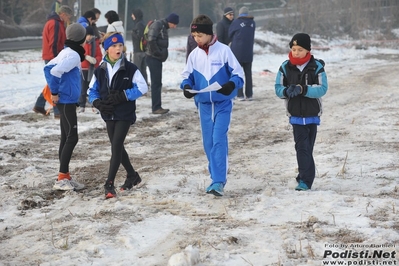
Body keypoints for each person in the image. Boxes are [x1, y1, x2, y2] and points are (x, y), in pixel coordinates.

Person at [181, 14, 244, 197]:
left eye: (199, 36)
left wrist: (231, 85)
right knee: (208, 143)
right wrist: (186, 86)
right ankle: (214, 176)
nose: (196, 39)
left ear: (209, 34)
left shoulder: (224, 51)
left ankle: (218, 181)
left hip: (223, 104)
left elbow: (238, 74)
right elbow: (187, 76)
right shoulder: (194, 54)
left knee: (218, 139)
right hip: (204, 105)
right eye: (194, 36)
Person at [88, 32, 148, 199]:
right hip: (108, 114)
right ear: (107, 49)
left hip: (124, 113)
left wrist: (124, 95)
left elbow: (143, 87)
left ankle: (109, 184)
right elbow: (91, 91)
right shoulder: (100, 70)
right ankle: (132, 175)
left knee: (115, 146)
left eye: (120, 45)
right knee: (118, 147)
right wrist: (97, 103)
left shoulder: (130, 68)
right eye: (114, 46)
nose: (118, 48)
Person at [274, 33, 328, 191]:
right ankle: (305, 181)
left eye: (300, 49)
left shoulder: (316, 66)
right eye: (293, 49)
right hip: (296, 115)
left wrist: (302, 89)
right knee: (301, 147)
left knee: (307, 147)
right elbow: (278, 89)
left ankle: (302, 176)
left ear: (308, 50)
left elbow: (322, 88)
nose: (296, 52)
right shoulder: (285, 67)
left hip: (312, 114)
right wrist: (287, 91)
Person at [44, 23, 87, 191]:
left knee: (65, 136)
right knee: (72, 137)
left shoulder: (66, 52)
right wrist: (54, 91)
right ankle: (62, 177)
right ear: (82, 39)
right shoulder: (73, 55)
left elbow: (49, 67)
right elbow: (52, 71)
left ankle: (65, 175)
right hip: (66, 100)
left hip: (66, 99)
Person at [33, 5, 72, 118]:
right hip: (53, 57)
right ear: (63, 14)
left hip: (50, 56)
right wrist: (56, 59)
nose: (68, 19)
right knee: (55, 83)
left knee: (52, 82)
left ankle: (39, 104)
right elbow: (54, 42)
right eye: (68, 17)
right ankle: (57, 111)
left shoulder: (53, 23)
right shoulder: (55, 24)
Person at [146, 12, 179, 114]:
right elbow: (151, 40)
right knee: (156, 83)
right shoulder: (158, 25)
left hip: (156, 58)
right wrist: (158, 53)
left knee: (157, 82)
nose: (175, 27)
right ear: (171, 22)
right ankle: (156, 107)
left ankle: (157, 106)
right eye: (174, 24)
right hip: (153, 57)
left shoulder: (163, 27)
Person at [229, 6, 256, 101]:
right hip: (248, 52)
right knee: (248, 74)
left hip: (237, 53)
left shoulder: (236, 23)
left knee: (238, 73)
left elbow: (230, 34)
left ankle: (239, 94)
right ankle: (249, 95)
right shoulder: (252, 23)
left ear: (240, 14)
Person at [78, 26, 102, 113]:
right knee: (83, 88)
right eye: (88, 35)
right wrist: (85, 57)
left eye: (91, 35)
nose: (89, 37)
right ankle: (82, 105)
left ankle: (94, 105)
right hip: (83, 68)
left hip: (93, 69)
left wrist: (96, 60)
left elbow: (99, 55)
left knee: (93, 87)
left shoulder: (95, 43)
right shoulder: (81, 43)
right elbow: (79, 54)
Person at [131, 8, 148, 84]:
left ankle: (140, 86)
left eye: (133, 14)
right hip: (144, 50)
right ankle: (144, 85)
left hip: (138, 51)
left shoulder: (138, 25)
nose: (132, 16)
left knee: (137, 70)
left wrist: (133, 33)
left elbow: (139, 36)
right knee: (143, 70)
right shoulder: (143, 23)